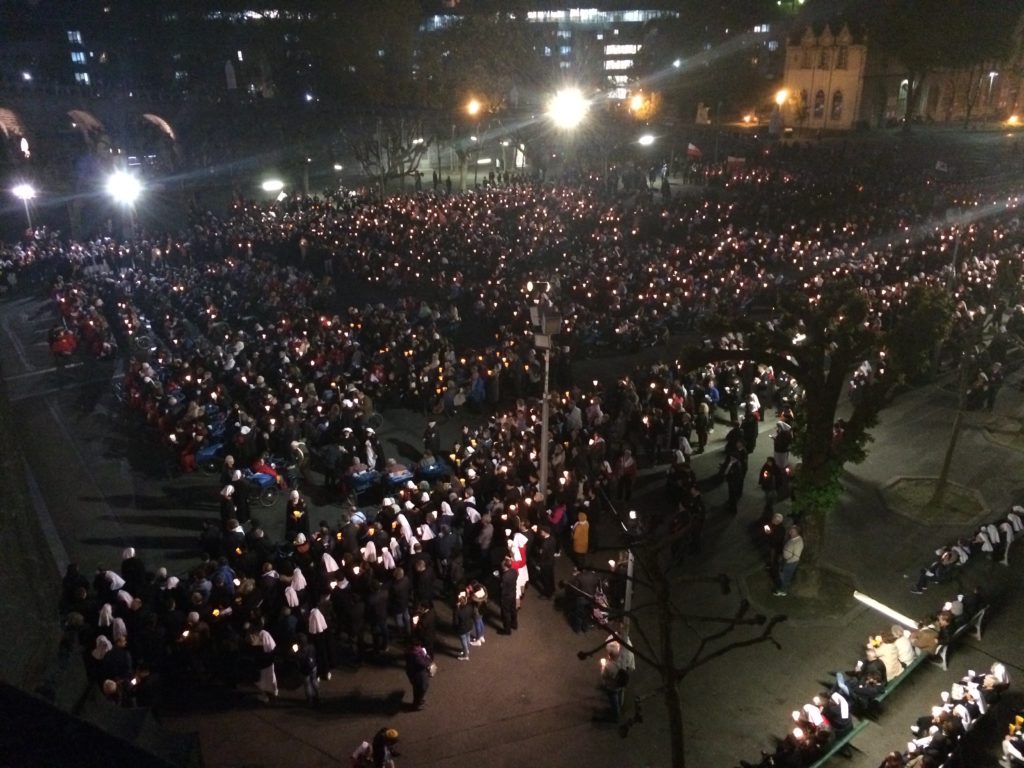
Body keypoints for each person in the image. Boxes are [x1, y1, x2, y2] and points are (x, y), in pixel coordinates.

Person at [599, 641, 628, 722]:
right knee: (620, 695)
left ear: (609, 654)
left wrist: (603, 666)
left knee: (613, 699)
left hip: (612, 687)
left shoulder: (608, 666)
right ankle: (620, 705)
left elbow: (603, 676)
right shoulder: (622, 659)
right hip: (621, 683)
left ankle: (615, 715)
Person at [774, 525, 803, 596]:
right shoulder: (793, 538)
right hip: (786, 560)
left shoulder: (798, 543)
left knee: (786, 577)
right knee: (782, 575)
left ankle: (783, 591)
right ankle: (782, 587)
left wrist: (786, 562)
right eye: (790, 530)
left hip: (790, 563)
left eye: (792, 531)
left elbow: (796, 557)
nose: (790, 532)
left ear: (797, 532)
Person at [404, 641, 432, 710]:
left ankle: (418, 702)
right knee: (421, 689)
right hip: (418, 675)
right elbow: (425, 664)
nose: (420, 647)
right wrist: (426, 657)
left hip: (413, 674)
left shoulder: (411, 652)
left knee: (417, 690)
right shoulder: (416, 656)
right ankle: (416, 705)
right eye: (419, 646)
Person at [499, 557, 518, 634]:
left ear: (505, 566)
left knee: (506, 612)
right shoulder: (514, 571)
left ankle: (507, 630)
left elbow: (502, 588)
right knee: (513, 610)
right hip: (513, 593)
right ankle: (514, 624)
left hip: (506, 597)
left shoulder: (504, 577)